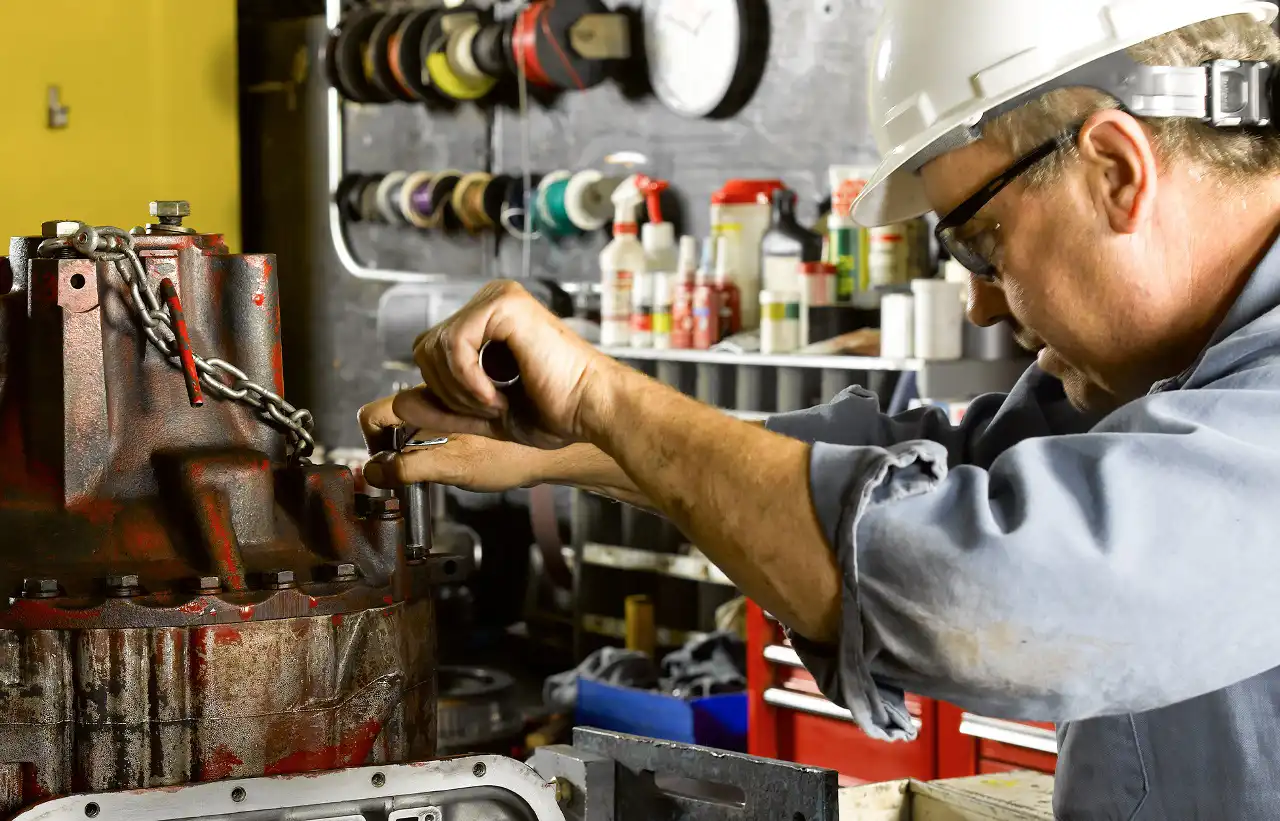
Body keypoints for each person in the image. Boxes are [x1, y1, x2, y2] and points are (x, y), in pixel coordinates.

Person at [360, 1, 1280, 816]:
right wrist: (568, 441)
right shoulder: (1164, 374)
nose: (982, 303)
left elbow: (979, 578)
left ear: (1118, 171)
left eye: (981, 246)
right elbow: (941, 471)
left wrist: (605, 398)